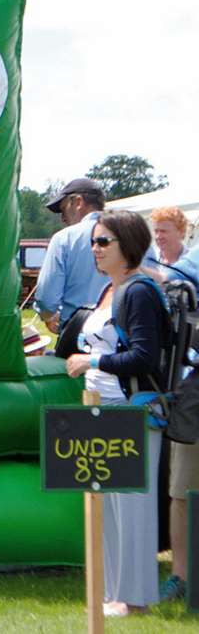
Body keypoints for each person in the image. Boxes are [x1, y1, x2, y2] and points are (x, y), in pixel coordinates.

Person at [65, 209, 168, 616]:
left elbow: (145, 356)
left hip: (132, 409)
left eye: (103, 241)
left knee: (133, 508)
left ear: (127, 244)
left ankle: (136, 598)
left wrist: (90, 363)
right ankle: (113, 593)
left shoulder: (138, 291)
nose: (95, 248)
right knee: (106, 504)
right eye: (93, 240)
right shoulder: (112, 289)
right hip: (101, 408)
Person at [149, 206, 198, 601]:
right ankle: (180, 576)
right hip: (192, 392)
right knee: (181, 490)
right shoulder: (191, 261)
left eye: (165, 230)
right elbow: (175, 279)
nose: (160, 236)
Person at [35, 178, 110, 334]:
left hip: (77, 335)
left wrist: (49, 316)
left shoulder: (64, 239)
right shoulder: (134, 234)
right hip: (124, 339)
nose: (63, 218)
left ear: (78, 202)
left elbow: (47, 300)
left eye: (63, 210)